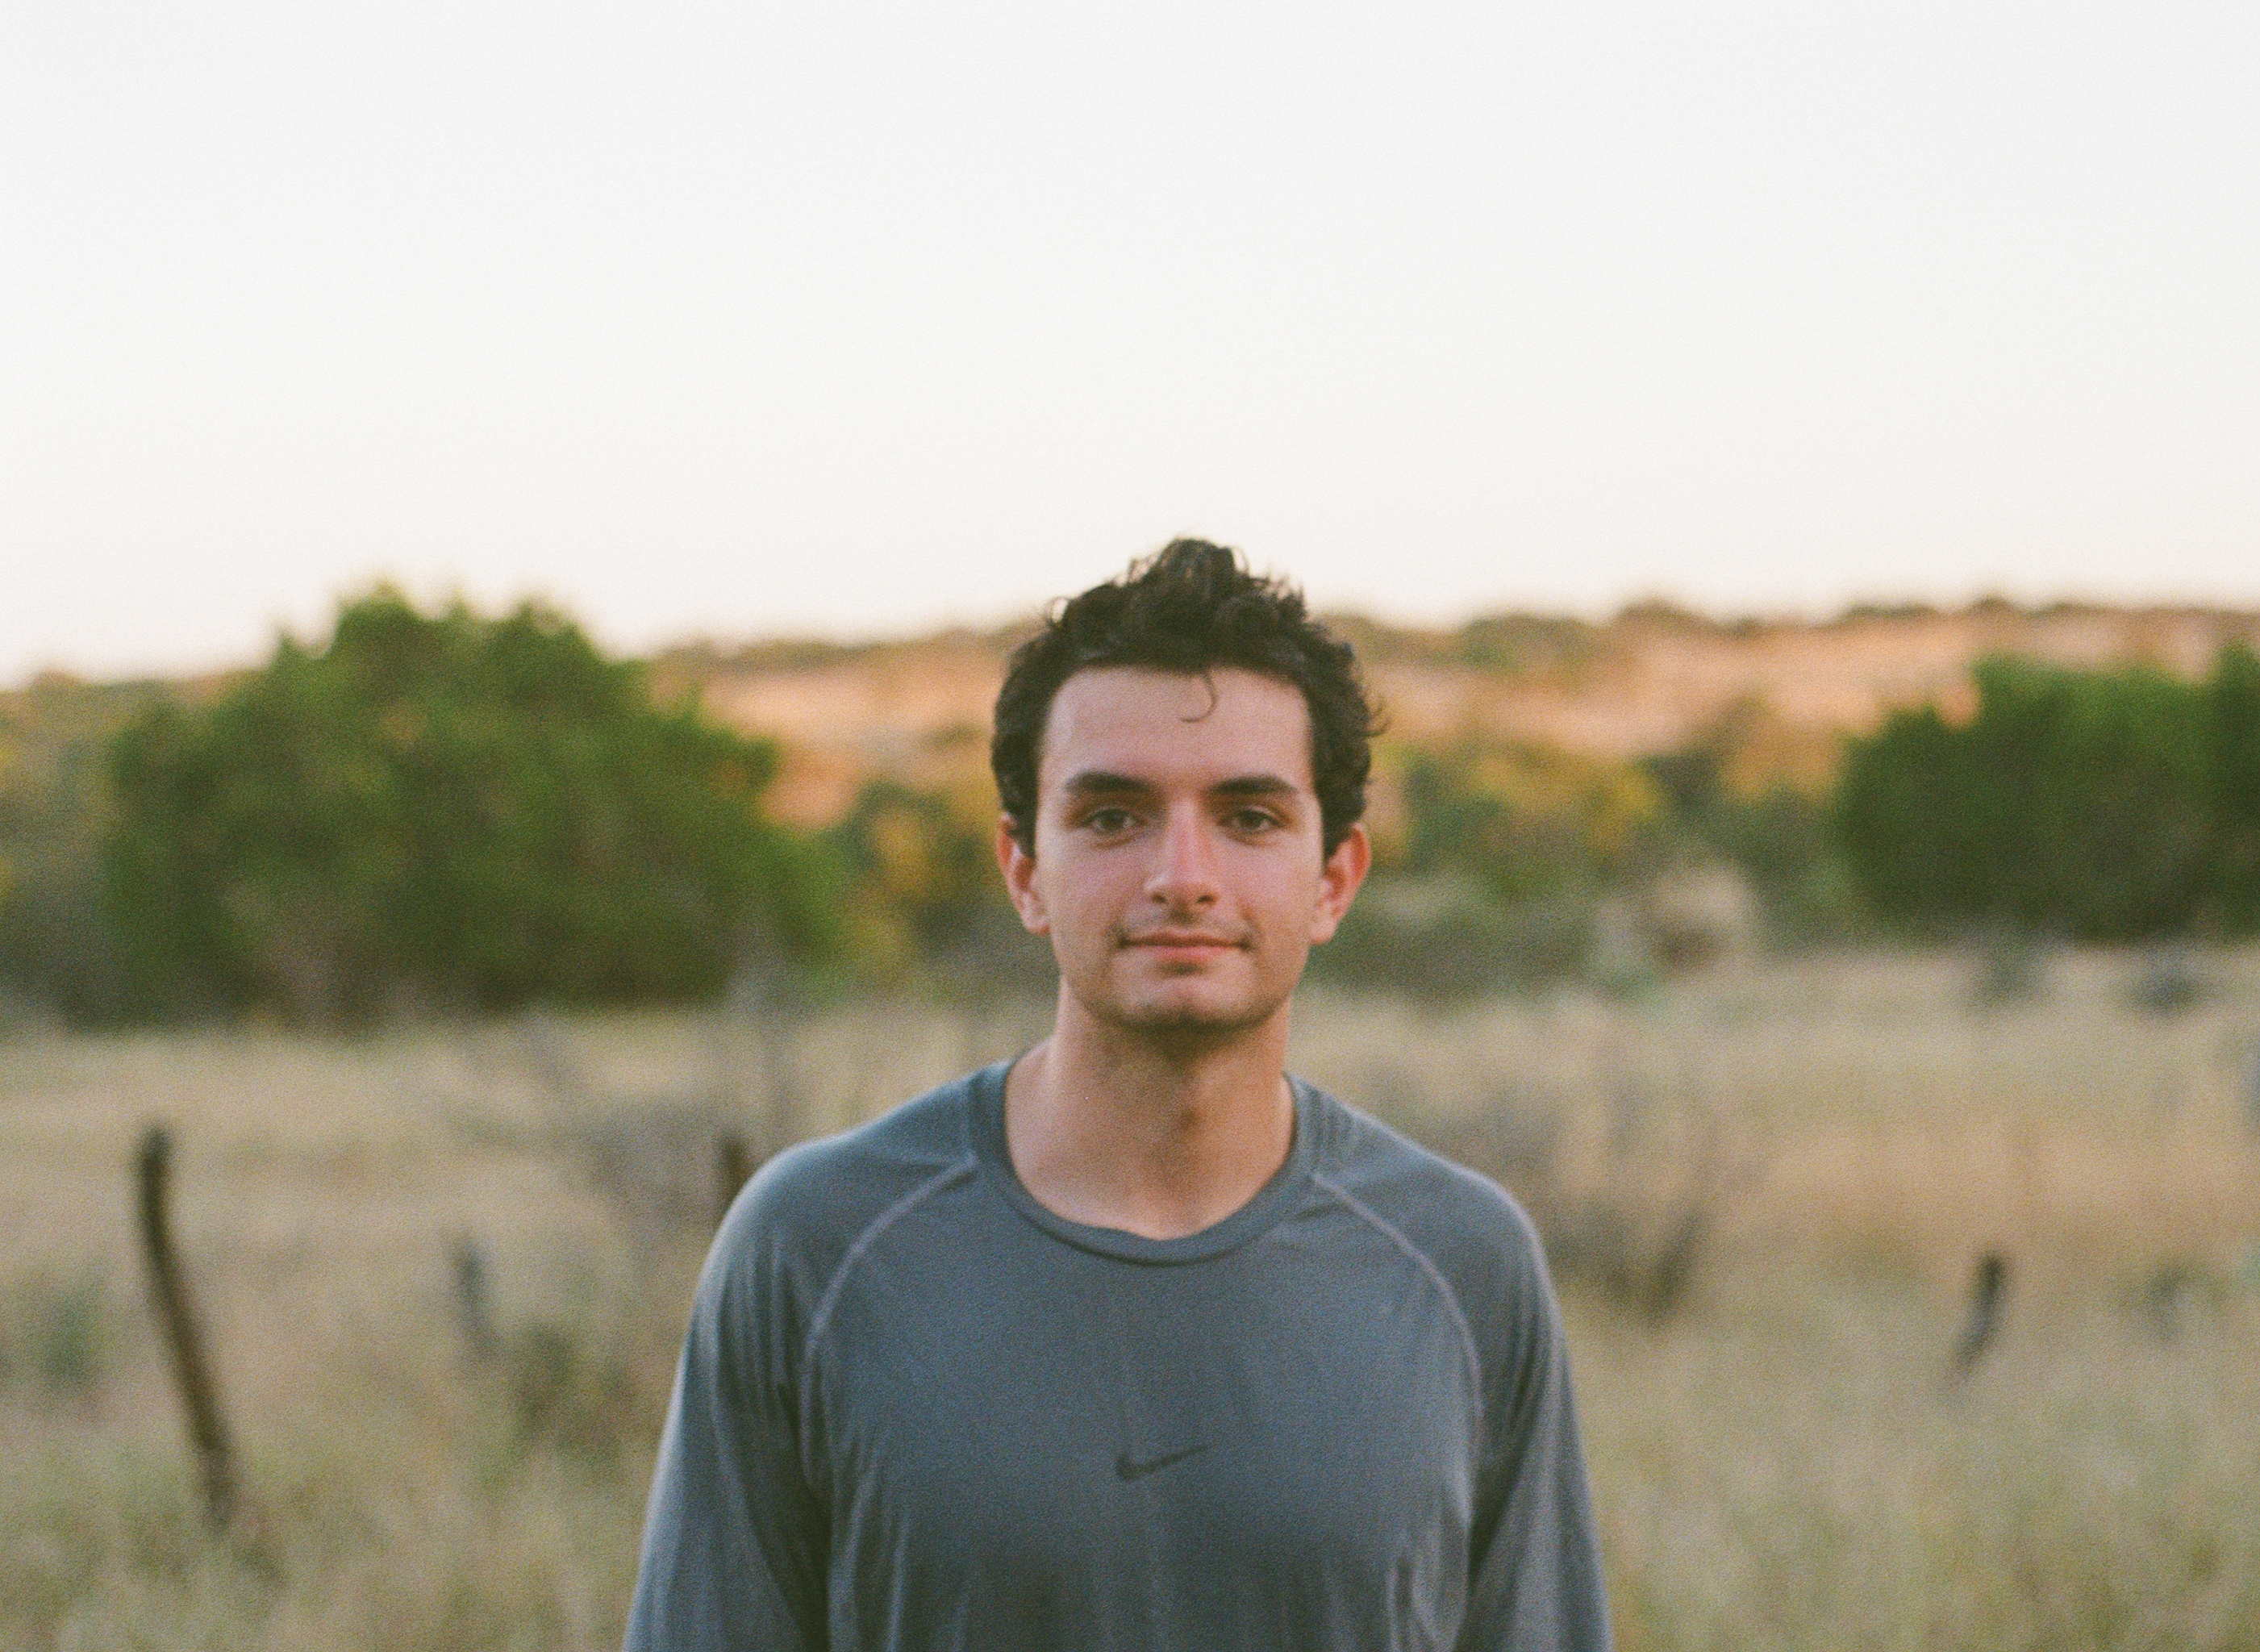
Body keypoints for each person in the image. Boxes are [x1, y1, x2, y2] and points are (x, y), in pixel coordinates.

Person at [624, 540, 1612, 1652]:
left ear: (1333, 878)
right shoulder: (816, 1246)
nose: (1180, 874)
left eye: (1248, 818)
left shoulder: (1461, 1262)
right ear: (1023, 870)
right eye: (1110, 817)